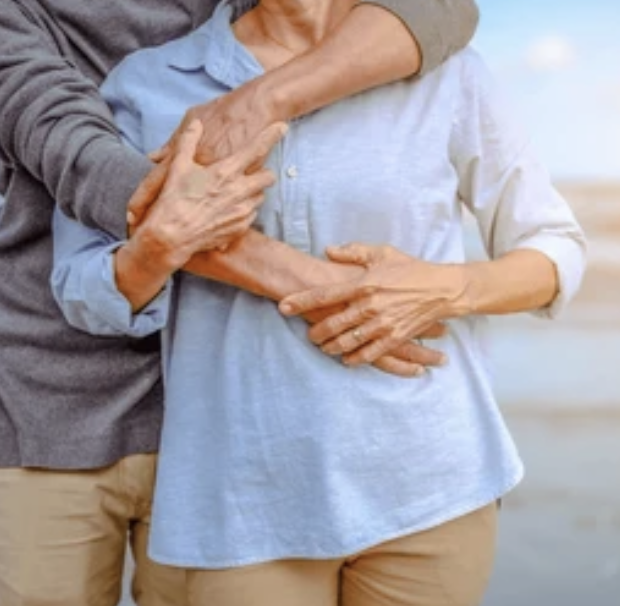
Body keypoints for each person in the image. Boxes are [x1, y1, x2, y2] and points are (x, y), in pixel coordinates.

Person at [51, 0, 587, 604]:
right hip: (245, 500)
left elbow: (554, 248)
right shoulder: (151, 84)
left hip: (435, 479)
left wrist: (445, 286)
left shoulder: (449, 71)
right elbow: (82, 288)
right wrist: (160, 247)